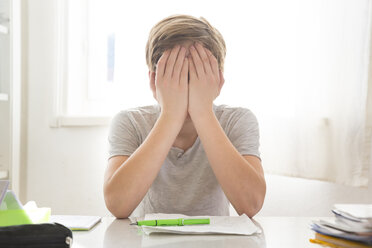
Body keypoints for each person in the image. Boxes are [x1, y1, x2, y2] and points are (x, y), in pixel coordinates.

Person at [103, 14, 266, 219]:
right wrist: (170, 116)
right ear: (154, 81)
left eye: (197, 76)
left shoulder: (237, 120)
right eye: (175, 76)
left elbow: (250, 204)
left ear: (219, 81)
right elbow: (118, 205)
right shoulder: (130, 122)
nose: (187, 89)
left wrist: (203, 113)